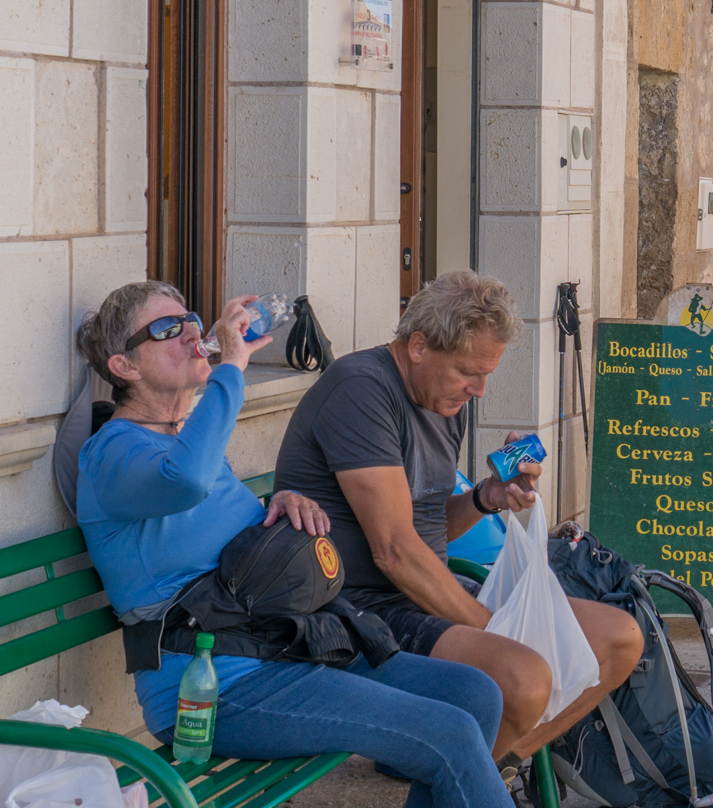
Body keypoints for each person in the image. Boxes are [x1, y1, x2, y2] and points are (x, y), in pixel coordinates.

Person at [74, 281, 512, 808]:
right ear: (124, 367)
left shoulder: (184, 441)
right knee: (447, 733)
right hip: (217, 685)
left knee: (475, 694)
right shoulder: (111, 454)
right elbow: (185, 481)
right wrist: (231, 369)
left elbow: (212, 524)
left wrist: (281, 505)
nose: (193, 332)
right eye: (168, 330)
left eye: (191, 319)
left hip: (288, 644)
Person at [273, 270, 643, 771]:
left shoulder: (443, 400)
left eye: (488, 374)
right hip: (357, 613)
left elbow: (425, 527)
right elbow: (395, 551)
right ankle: (458, 769)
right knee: (524, 677)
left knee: (620, 639)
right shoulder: (361, 389)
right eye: (469, 372)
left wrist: (487, 498)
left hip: (425, 594)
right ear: (419, 346)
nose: (480, 390)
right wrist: (498, 633)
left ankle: (481, 766)